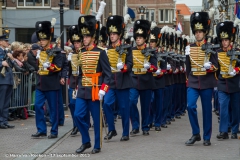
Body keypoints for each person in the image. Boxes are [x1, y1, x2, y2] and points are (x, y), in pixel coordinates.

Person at [74, 15, 111, 154]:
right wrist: (77, 86)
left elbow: (108, 75)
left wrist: (103, 90)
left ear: (93, 37)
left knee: (96, 120)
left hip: (96, 89)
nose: (84, 39)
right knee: (77, 115)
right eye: (83, 37)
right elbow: (80, 72)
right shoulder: (80, 52)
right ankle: (86, 141)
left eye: (87, 37)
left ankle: (97, 145)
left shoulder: (101, 52)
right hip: (83, 89)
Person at [185, 12, 218, 146]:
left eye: (200, 31)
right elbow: (187, 67)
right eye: (196, 31)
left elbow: (216, 66)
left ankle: (206, 137)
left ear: (205, 32)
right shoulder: (189, 48)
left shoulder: (211, 47)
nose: (198, 34)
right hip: (193, 81)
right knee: (190, 106)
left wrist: (209, 67)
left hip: (206, 82)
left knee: (206, 110)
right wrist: (187, 80)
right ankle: (195, 133)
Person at [102, 15, 133, 141]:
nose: (112, 36)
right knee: (106, 104)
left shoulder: (127, 48)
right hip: (110, 82)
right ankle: (112, 129)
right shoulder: (106, 50)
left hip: (123, 82)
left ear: (119, 35)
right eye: (111, 34)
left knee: (124, 108)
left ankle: (125, 133)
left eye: (114, 33)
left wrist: (124, 67)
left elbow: (130, 64)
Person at [31, 19, 63, 139]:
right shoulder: (40, 51)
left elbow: (59, 67)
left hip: (52, 83)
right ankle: (41, 129)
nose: (42, 41)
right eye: (41, 39)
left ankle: (54, 131)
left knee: (53, 109)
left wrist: (50, 66)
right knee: (38, 106)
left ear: (49, 38)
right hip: (41, 83)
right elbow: (39, 66)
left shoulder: (56, 52)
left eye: (44, 39)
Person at [129, 19, 157, 136]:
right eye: (137, 37)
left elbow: (155, 67)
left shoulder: (150, 51)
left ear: (145, 38)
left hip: (146, 80)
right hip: (134, 80)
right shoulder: (131, 50)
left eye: (140, 37)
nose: (138, 39)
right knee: (131, 102)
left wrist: (149, 66)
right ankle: (135, 126)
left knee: (145, 106)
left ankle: (145, 126)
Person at [215, 21, 240, 140]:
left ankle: (234, 130)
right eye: (223, 40)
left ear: (230, 40)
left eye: (226, 40)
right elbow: (216, 67)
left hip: (235, 83)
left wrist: (236, 70)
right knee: (223, 107)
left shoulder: (237, 52)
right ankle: (223, 131)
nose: (225, 42)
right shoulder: (218, 53)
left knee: (235, 108)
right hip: (222, 83)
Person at [148, 26, 166, 131]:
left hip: (159, 81)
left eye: (153, 41)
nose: (151, 43)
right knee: (150, 102)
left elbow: (164, 67)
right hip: (150, 79)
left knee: (159, 103)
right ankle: (150, 120)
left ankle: (158, 122)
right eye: (150, 41)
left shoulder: (161, 52)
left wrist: (161, 72)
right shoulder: (147, 52)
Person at [67, 25, 82, 136]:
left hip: (82, 82)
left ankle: (82, 124)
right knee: (72, 104)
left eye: (78, 43)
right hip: (73, 81)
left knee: (81, 105)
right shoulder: (71, 55)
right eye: (75, 43)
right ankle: (75, 125)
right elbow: (67, 69)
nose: (76, 45)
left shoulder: (85, 53)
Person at [0, 34, 15, 129]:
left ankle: (4, 120)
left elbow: (12, 65)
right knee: (1, 102)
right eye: (5, 41)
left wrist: (12, 59)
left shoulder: (7, 51)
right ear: (0, 42)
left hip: (8, 79)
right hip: (2, 79)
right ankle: (0, 121)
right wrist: (1, 63)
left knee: (6, 102)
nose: (7, 42)